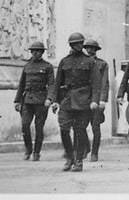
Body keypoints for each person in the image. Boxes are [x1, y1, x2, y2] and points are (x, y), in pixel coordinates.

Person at [50, 32, 101, 172]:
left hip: (83, 100)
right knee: (64, 129)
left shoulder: (90, 62)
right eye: (75, 44)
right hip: (66, 100)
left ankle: (78, 161)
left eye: (80, 43)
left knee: (79, 131)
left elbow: (97, 84)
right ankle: (69, 157)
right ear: (71, 45)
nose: (78, 46)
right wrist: (54, 100)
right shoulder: (64, 61)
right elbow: (57, 83)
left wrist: (94, 101)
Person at [14, 40, 54, 161]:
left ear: (42, 52)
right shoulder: (27, 66)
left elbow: (52, 84)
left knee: (39, 127)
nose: (36, 53)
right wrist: (17, 101)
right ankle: (28, 149)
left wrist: (49, 98)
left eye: (38, 51)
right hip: (27, 100)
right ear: (31, 52)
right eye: (34, 51)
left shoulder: (47, 66)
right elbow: (21, 84)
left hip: (41, 100)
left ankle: (37, 152)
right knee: (25, 125)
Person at [83, 39, 109, 161]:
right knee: (81, 126)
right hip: (83, 98)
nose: (90, 50)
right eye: (88, 47)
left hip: (97, 99)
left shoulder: (102, 64)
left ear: (96, 50)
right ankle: (86, 147)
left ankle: (94, 152)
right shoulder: (81, 62)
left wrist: (103, 99)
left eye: (92, 48)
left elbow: (105, 83)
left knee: (95, 127)